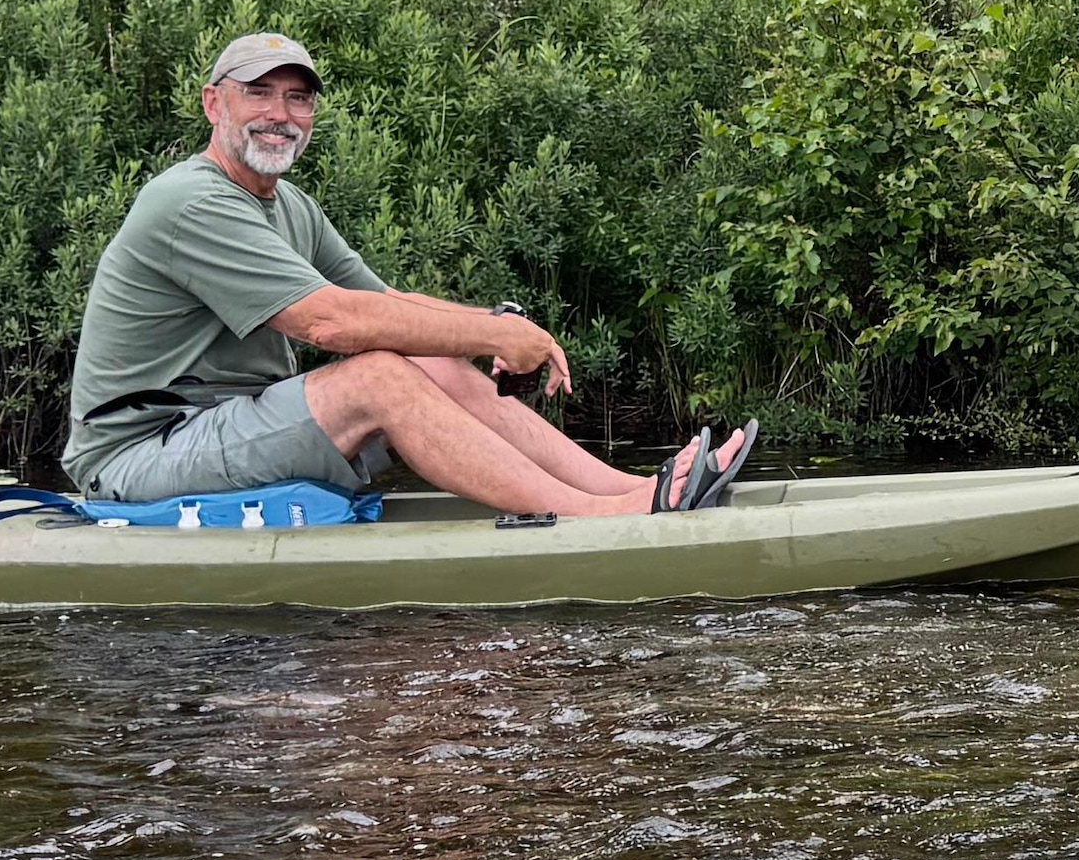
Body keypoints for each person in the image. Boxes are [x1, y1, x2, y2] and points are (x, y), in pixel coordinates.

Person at [60, 32, 754, 516]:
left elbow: (381, 301)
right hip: (137, 457)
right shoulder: (190, 200)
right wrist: (488, 334)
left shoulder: (289, 203)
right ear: (215, 104)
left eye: (298, 99)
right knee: (378, 374)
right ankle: (595, 518)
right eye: (258, 94)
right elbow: (330, 322)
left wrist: (493, 330)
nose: (280, 114)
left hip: (223, 430)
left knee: (439, 363)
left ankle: (628, 490)